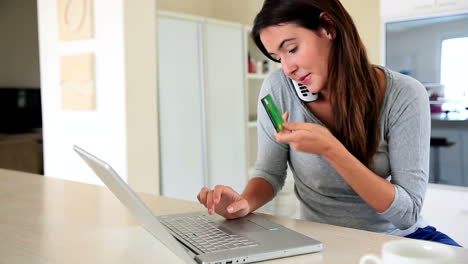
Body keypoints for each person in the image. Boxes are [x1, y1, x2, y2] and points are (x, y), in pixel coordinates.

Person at [197, 0, 462, 247]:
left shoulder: (404, 94)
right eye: (278, 57)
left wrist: (331, 149)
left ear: (329, 27)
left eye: (292, 49)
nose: (287, 68)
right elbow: (269, 172)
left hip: (398, 240)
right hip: (321, 240)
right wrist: (243, 204)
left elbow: (407, 214)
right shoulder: (278, 89)